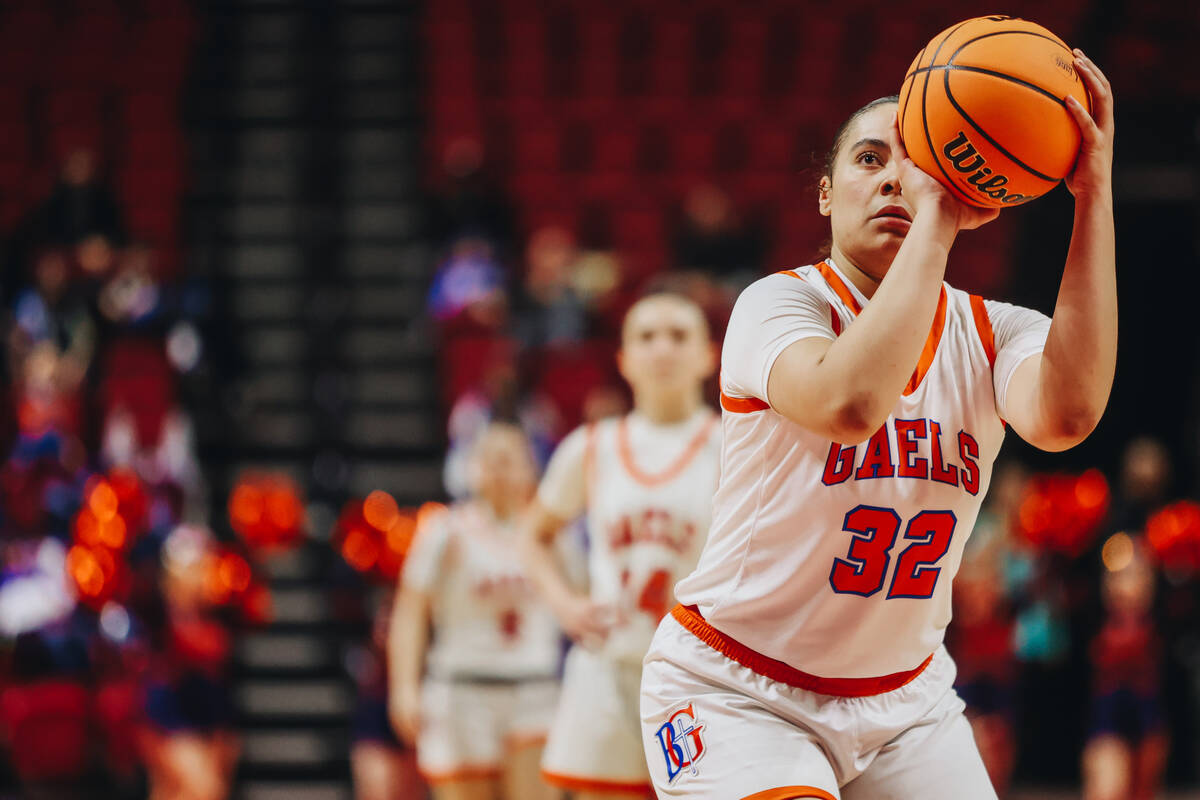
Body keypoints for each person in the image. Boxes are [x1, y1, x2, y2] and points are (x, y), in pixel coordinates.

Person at [639, 50, 1116, 799]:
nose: (899, 177)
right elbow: (850, 405)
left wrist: (1092, 194)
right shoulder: (778, 306)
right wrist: (936, 218)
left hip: (905, 702)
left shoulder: (993, 333)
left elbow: (1067, 417)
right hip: (738, 687)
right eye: (871, 159)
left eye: (921, 160)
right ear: (826, 196)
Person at [520, 293, 721, 799]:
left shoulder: (736, 445)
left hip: (699, 671)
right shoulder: (592, 446)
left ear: (708, 355)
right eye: (646, 337)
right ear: (624, 360)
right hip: (608, 663)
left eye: (678, 335)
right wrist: (566, 605)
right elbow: (533, 534)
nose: (662, 349)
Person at [389, 422, 561, 800]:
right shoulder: (443, 529)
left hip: (534, 686)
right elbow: (410, 610)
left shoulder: (550, 533)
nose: (499, 469)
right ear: (471, 468)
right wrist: (404, 686)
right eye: (490, 459)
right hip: (461, 688)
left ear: (531, 468)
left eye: (510, 459)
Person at [1082, 538, 1167, 800]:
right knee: (1107, 787)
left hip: (1146, 721)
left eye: (1134, 576)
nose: (1125, 586)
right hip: (1107, 721)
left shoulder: (1162, 624)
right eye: (1118, 577)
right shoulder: (1092, 620)